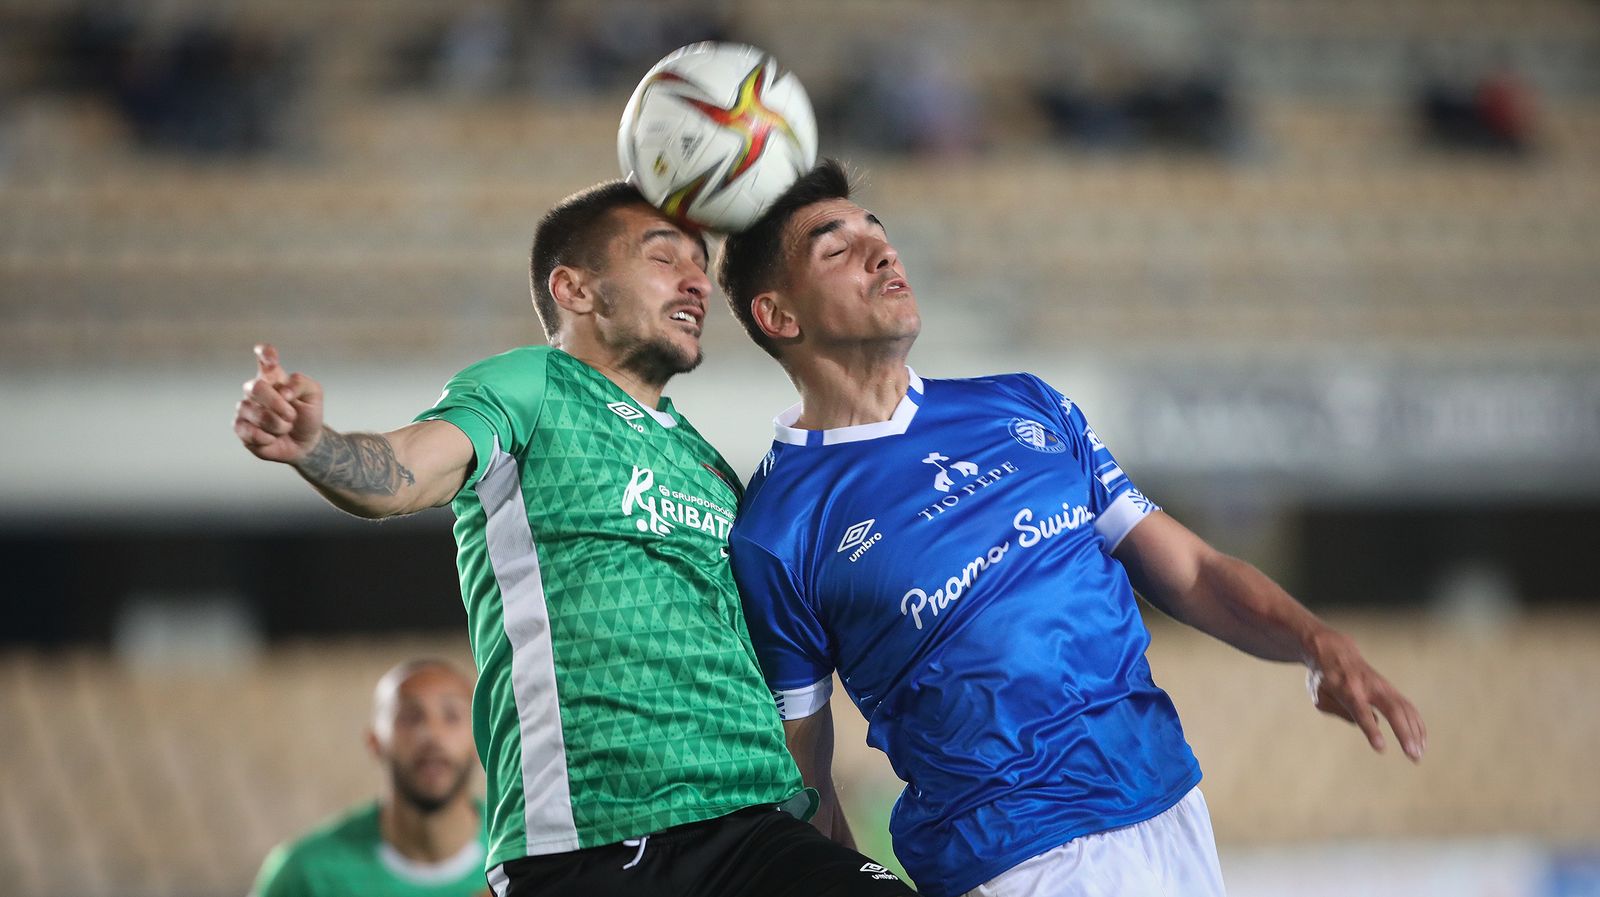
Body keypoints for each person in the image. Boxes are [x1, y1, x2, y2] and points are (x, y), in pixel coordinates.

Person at [715, 160, 1429, 897]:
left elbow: (1189, 569)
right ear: (779, 316)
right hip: (1015, 858)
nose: (883, 254)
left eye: (880, 235)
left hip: (1168, 802)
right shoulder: (779, 528)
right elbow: (802, 767)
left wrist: (1317, 642)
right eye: (838, 250)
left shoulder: (1024, 404)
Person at [232, 180, 917, 897]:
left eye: (699, 263)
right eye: (664, 259)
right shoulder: (533, 386)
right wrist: (316, 445)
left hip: (753, 824)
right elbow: (404, 471)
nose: (696, 282)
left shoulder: (709, 464)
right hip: (592, 842)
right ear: (575, 289)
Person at [251, 658, 489, 897]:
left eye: (452, 716)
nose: (431, 735)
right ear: (375, 743)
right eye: (409, 717)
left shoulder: (518, 854)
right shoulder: (305, 874)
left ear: (479, 739)